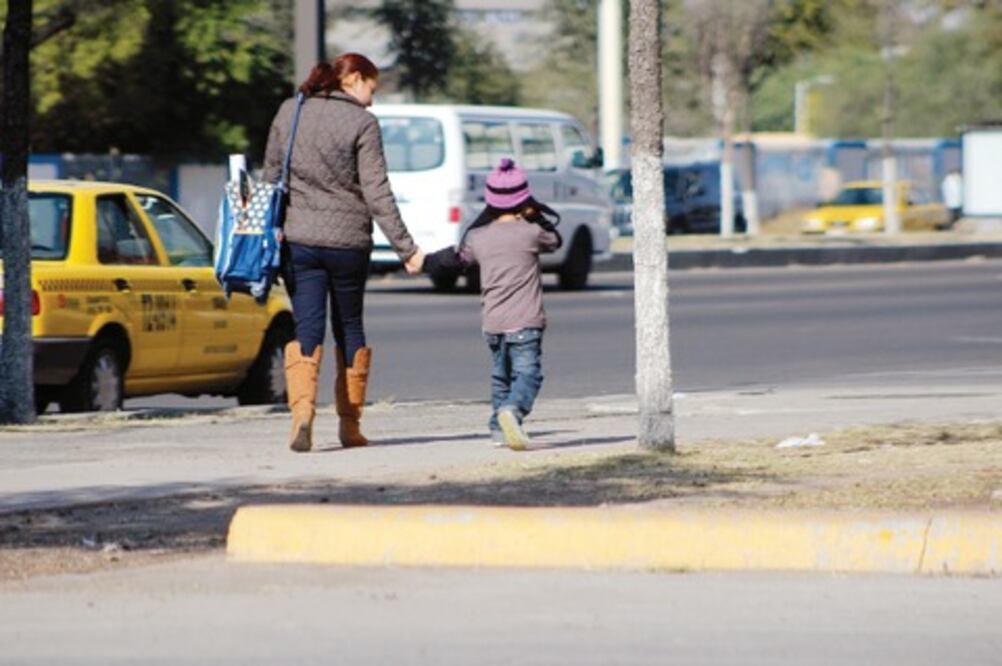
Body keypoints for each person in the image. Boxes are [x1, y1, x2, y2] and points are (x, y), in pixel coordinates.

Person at [263, 53, 425, 453]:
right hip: (349, 244)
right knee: (350, 327)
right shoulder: (363, 123)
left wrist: (277, 230)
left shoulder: (290, 111)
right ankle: (350, 426)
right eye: (372, 85)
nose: (374, 96)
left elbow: (270, 178)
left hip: (300, 241)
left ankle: (302, 416)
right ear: (353, 78)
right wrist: (407, 248)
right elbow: (377, 192)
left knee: (308, 328)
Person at [423, 159, 562, 450]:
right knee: (528, 374)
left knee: (501, 377)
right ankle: (513, 411)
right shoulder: (531, 232)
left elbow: (459, 259)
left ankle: (499, 431)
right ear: (524, 199)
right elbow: (555, 241)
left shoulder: (478, 237)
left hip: (493, 323)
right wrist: (535, 214)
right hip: (526, 321)